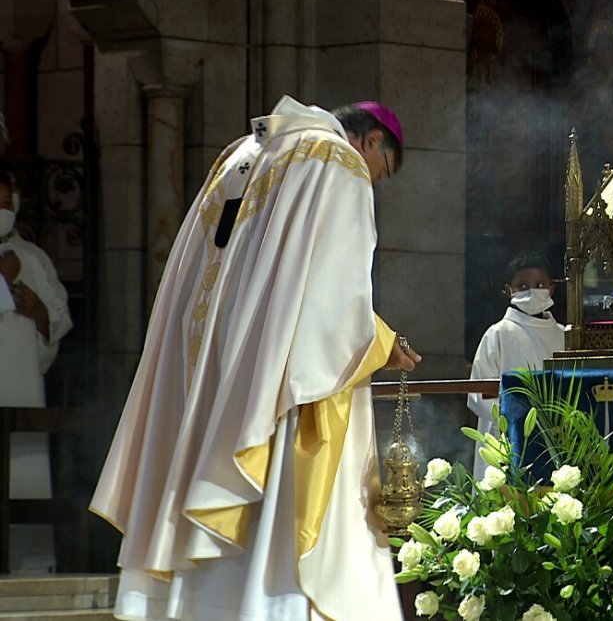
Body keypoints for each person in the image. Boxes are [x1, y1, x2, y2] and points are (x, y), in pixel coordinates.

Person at [90, 96, 421, 621]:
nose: (376, 179)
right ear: (372, 141)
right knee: (275, 528)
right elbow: (331, 310)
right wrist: (381, 344)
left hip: (207, 366)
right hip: (276, 380)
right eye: (384, 169)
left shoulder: (240, 155)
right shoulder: (336, 162)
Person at [0, 170, 72, 572]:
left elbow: (58, 323)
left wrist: (41, 316)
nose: (3, 209)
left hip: (23, 389)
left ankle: (30, 565)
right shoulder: (12, 265)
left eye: (8, 202)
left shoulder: (33, 259)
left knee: (23, 472)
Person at [468, 252, 565, 479]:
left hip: (557, 436)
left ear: (551, 289)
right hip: (507, 438)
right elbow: (478, 396)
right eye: (522, 285)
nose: (532, 291)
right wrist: (513, 422)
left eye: (539, 284)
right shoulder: (498, 334)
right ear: (507, 290)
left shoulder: (564, 336)